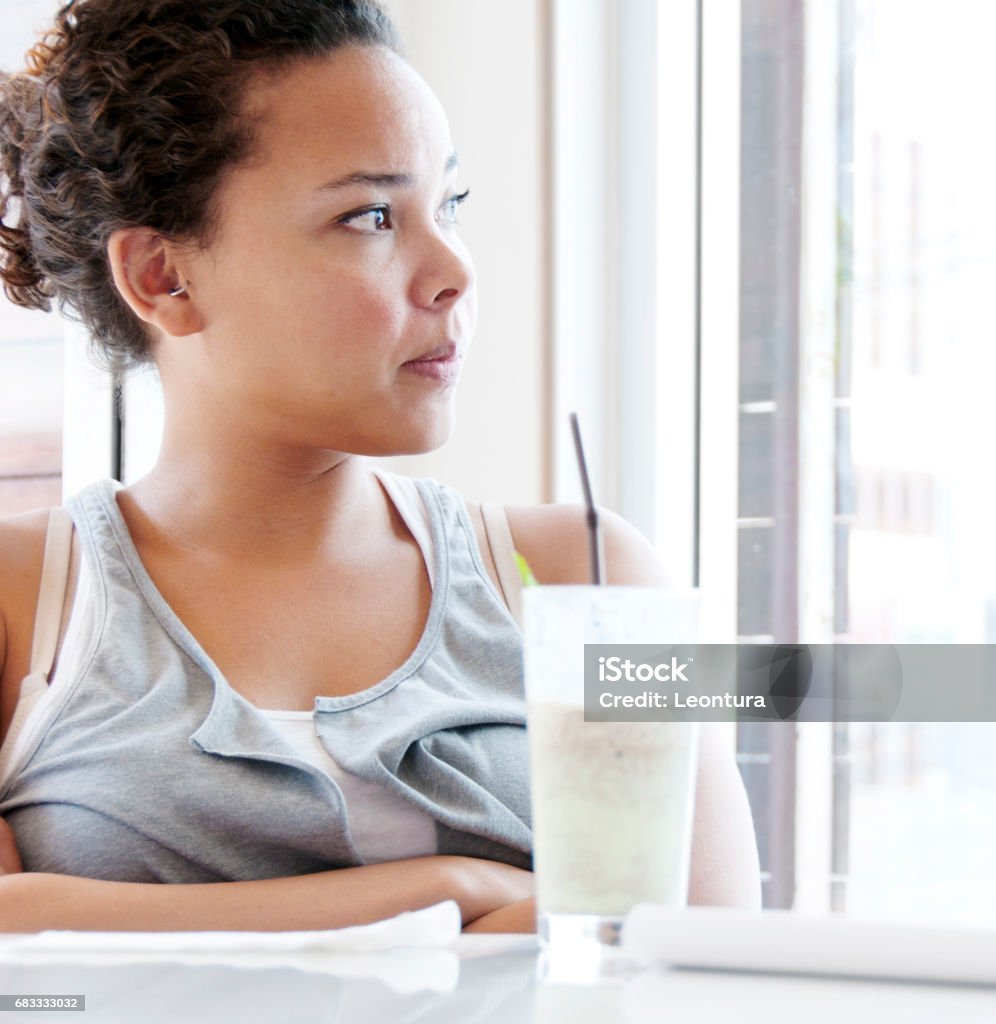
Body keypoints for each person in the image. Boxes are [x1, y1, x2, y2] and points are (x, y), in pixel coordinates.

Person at [0, 0, 760, 933]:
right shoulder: (24, 601)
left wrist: (72, 913)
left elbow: (713, 964)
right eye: (370, 215)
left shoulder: (591, 579)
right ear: (163, 276)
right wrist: (459, 891)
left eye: (449, 205)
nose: (454, 269)